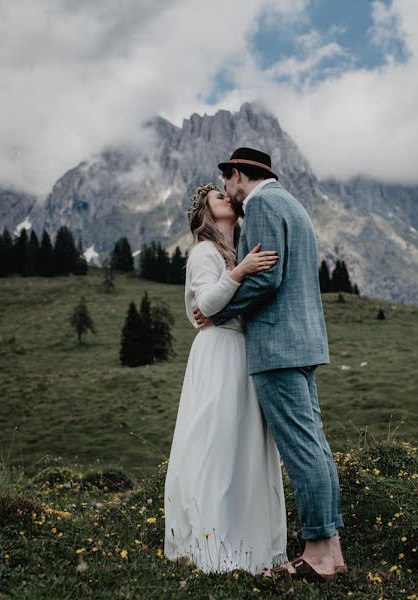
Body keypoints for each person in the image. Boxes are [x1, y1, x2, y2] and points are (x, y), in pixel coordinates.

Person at [194, 147, 347, 582]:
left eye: (227, 182)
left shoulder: (260, 204)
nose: (226, 191)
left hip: (277, 347)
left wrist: (219, 313)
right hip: (304, 342)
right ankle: (331, 549)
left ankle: (317, 553)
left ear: (239, 175)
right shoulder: (291, 203)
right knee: (315, 446)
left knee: (302, 450)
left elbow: (265, 276)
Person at [163, 183, 287, 574]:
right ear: (206, 213)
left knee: (243, 442)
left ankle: (248, 536)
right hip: (218, 350)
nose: (227, 198)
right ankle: (214, 540)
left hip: (240, 350)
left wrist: (240, 269)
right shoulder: (204, 251)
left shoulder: (233, 250)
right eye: (218, 197)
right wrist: (240, 271)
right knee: (217, 440)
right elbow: (207, 305)